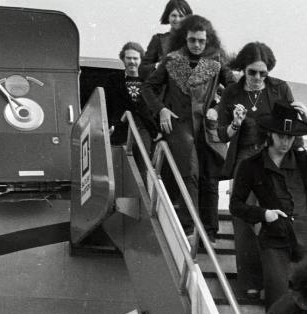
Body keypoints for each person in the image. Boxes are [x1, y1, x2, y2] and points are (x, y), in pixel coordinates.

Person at [229, 99, 307, 307]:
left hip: (306, 237)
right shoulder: (251, 166)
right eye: (281, 135)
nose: (286, 142)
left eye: (290, 137)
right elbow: (235, 205)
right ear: (270, 133)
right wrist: (263, 214)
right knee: (278, 300)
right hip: (274, 240)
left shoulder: (301, 161)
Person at [213, 42, 293, 299]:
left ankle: (278, 281)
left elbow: (292, 125)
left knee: (277, 216)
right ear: (243, 70)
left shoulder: (279, 89)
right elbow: (221, 133)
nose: (258, 78)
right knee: (245, 218)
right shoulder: (232, 93)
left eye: (263, 73)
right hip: (246, 159)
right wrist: (235, 124)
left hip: (273, 157)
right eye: (252, 72)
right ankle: (250, 280)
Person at [142, 14, 230, 241]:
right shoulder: (171, 60)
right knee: (189, 173)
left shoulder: (217, 61)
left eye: (201, 40)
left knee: (209, 177)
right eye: (192, 40)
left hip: (207, 126)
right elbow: (148, 88)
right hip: (180, 125)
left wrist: (218, 108)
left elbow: (232, 89)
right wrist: (161, 109)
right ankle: (189, 227)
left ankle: (209, 231)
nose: (197, 45)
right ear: (184, 38)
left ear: (208, 39)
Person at [106, 41, 159, 146]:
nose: (132, 61)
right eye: (128, 58)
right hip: (121, 131)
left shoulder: (150, 81)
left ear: (141, 60)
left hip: (145, 130)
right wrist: (108, 125)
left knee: (143, 159)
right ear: (123, 59)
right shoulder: (114, 80)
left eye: (135, 58)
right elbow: (108, 105)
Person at [141, 0, 192, 78]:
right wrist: (158, 65)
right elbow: (142, 70)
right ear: (168, 17)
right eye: (174, 15)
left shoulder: (195, 41)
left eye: (181, 16)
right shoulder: (158, 40)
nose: (177, 19)